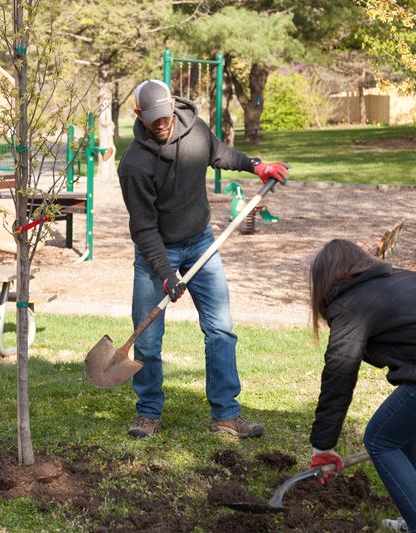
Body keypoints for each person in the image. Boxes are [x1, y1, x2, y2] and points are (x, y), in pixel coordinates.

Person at [117, 79, 289, 439]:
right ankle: (148, 411)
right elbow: (144, 228)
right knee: (148, 338)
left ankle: (226, 413)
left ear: (172, 106)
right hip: (156, 249)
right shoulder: (134, 165)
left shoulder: (194, 129)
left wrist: (255, 165)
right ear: (139, 115)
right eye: (153, 119)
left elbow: (218, 153)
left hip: (200, 242)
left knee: (220, 329)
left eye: (164, 115)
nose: (161, 123)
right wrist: (165, 273)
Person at [308, 239, 416, 533]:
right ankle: (415, 523)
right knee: (408, 430)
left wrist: (323, 446)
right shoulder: (407, 279)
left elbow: (339, 373)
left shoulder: (350, 304)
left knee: (380, 439)